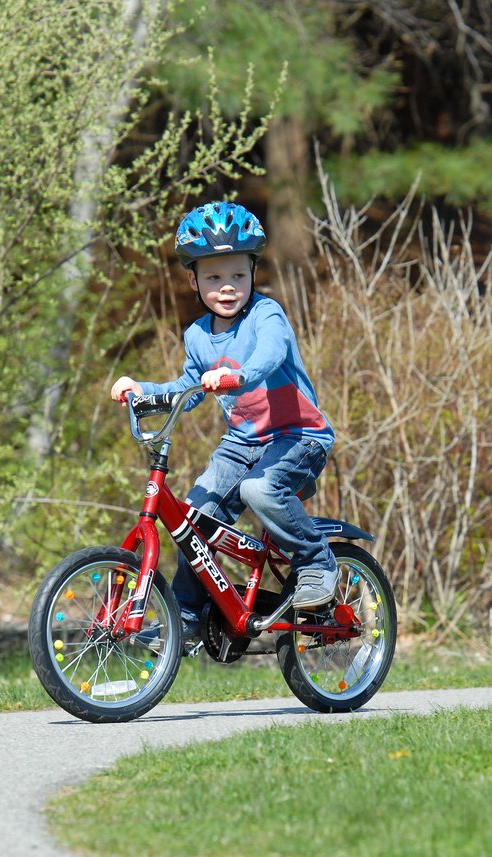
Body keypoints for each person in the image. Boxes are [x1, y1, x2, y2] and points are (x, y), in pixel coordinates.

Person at [110, 201, 338, 647]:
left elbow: (270, 353)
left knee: (259, 490)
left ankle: (316, 563)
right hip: (242, 443)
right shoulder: (197, 335)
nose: (227, 287)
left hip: (299, 437)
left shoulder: (267, 316)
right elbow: (189, 388)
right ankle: (189, 617)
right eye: (213, 278)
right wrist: (142, 391)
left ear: (253, 272)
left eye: (237, 275)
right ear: (194, 281)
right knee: (192, 521)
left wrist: (241, 375)